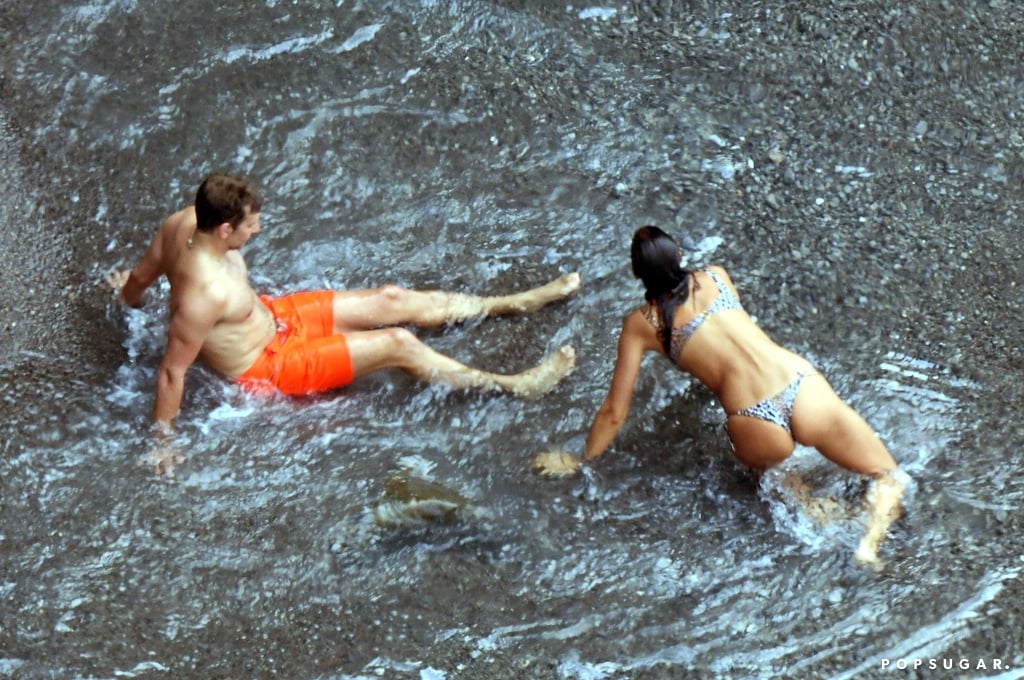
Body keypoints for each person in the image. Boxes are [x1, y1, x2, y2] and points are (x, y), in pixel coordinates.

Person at [108, 173, 579, 467]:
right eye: (252, 224)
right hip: (266, 366)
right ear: (226, 229)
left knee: (390, 299)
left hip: (273, 316)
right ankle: (516, 384)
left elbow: (143, 274)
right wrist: (162, 440)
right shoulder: (202, 296)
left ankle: (511, 302)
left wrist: (124, 297)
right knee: (396, 342)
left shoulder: (185, 221)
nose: (260, 228)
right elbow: (173, 370)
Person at [532, 226, 902, 568]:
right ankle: (870, 542)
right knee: (887, 476)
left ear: (637, 274)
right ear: (678, 255)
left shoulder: (642, 324)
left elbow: (614, 412)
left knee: (777, 477)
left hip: (752, 417)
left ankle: (816, 510)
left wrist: (582, 459)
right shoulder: (716, 276)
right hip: (800, 385)